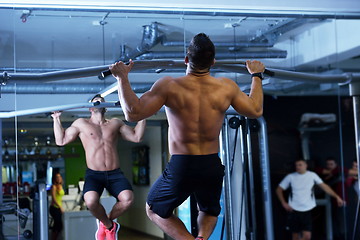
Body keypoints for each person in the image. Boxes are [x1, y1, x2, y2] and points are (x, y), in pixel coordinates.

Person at [109, 33, 265, 240]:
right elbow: (255, 110)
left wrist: (122, 78)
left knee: (154, 209)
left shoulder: (169, 85)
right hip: (211, 163)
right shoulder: (227, 87)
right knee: (209, 210)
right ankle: (200, 238)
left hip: (183, 164)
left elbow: (133, 113)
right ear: (213, 62)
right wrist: (256, 76)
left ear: (186, 59)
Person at [51, 95, 146, 240]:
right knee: (90, 201)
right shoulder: (81, 124)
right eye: (95, 102)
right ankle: (109, 226)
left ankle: (106, 223)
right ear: (90, 108)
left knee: (128, 199)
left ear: (106, 107)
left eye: (101, 101)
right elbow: (61, 140)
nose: (98, 103)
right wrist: (56, 119)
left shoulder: (115, 123)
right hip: (94, 174)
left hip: (115, 174)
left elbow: (136, 137)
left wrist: (143, 116)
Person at [276, 159, 344, 240]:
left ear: (305, 165)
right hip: (294, 209)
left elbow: (324, 187)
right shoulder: (290, 177)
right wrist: (283, 203)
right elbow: (279, 189)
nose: (298, 167)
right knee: (295, 236)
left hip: (307, 210)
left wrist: (337, 197)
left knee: (307, 236)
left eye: (300, 165)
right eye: (296, 165)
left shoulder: (312, 175)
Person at [49, 172, 65, 240]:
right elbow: (54, 199)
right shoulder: (54, 187)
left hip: (58, 207)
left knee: (59, 225)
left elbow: (60, 198)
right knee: (57, 225)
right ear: (55, 179)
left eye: (59, 177)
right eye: (57, 177)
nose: (59, 178)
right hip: (54, 208)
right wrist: (60, 206)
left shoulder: (60, 186)